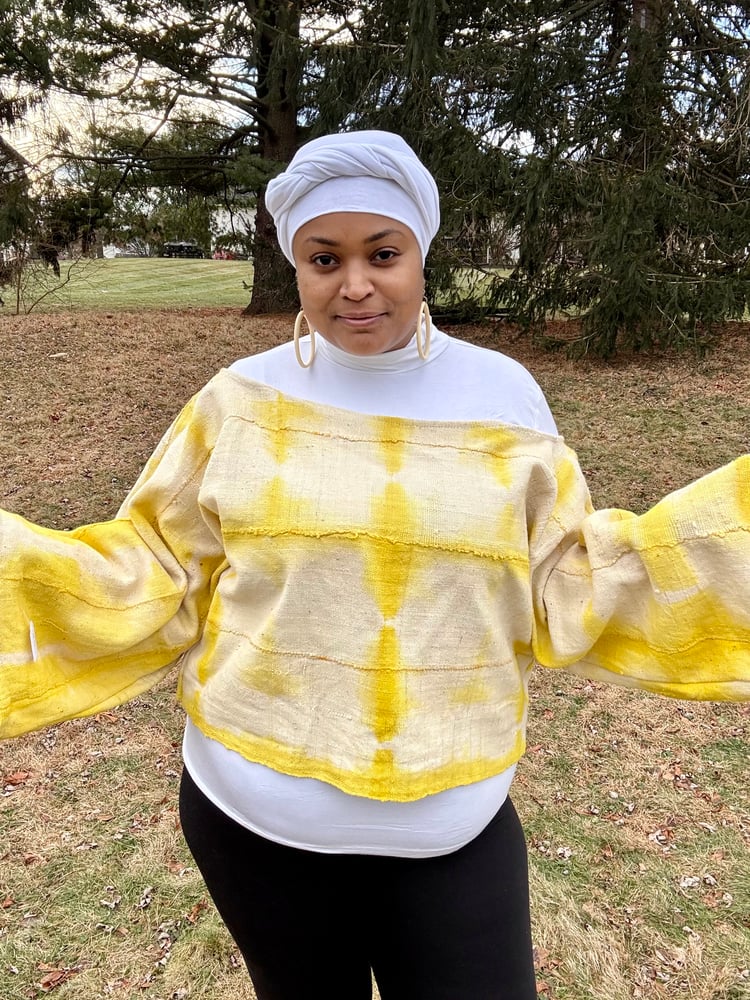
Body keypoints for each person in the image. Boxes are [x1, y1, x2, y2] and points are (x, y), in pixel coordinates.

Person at [1, 130, 749, 1000]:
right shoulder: (238, 401)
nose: (354, 284)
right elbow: (154, 565)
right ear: (297, 266)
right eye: (325, 258)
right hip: (253, 822)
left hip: (449, 832)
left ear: (419, 253)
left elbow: (565, 581)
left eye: (381, 253)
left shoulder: (504, 397)